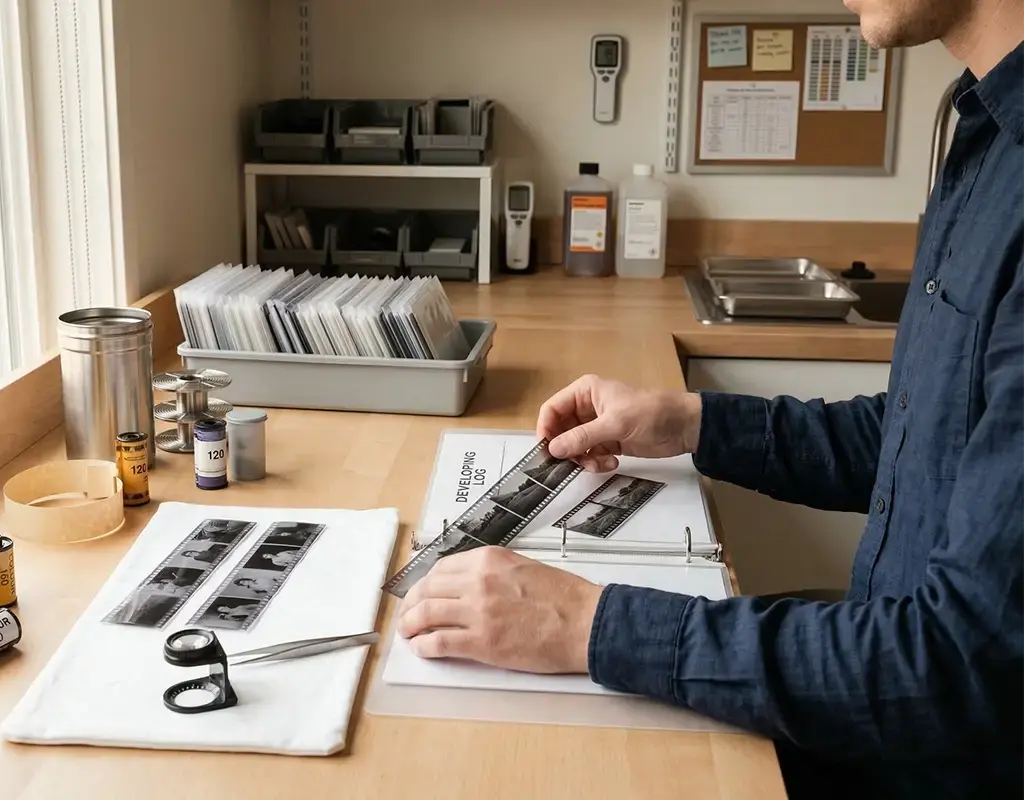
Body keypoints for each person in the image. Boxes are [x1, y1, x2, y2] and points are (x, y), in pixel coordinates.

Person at [396, 2, 1024, 796]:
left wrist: (586, 625)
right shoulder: (986, 134)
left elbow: (960, 671)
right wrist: (690, 421)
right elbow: (922, 443)